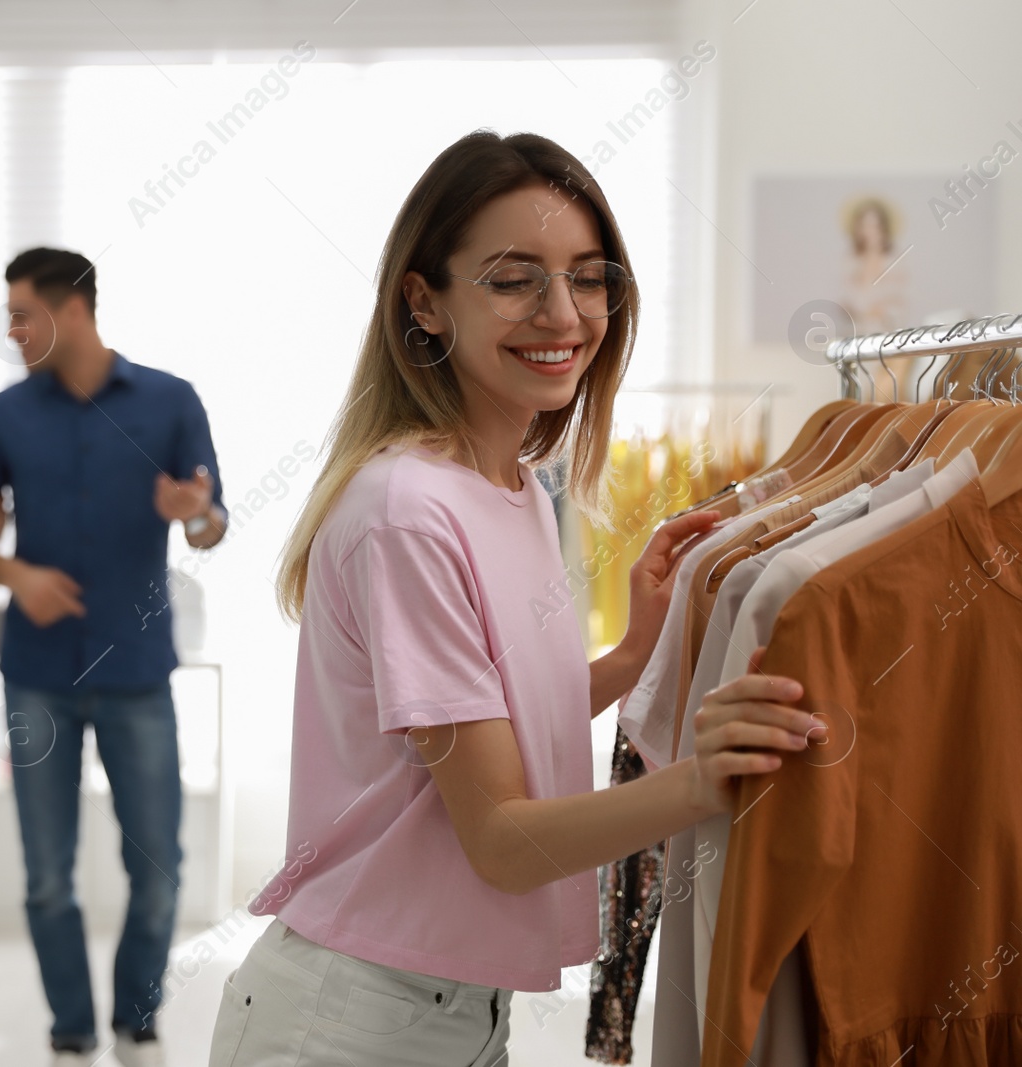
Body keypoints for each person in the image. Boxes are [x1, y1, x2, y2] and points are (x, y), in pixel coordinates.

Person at [205, 131, 819, 1066]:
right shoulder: (407, 511)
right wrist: (700, 783)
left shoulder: (517, 486)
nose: (562, 313)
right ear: (425, 299)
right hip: (352, 1019)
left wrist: (624, 660)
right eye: (512, 278)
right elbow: (499, 837)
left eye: (588, 275)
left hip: (454, 1010)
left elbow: (480, 733)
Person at [0, 248, 228, 1066]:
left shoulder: (171, 402)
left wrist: (194, 514)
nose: (13, 330)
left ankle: (136, 1021)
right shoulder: (4, 418)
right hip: (38, 675)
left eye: (22, 315)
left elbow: (214, 521)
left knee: (161, 867)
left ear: (71, 312)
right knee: (45, 875)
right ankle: (70, 1029)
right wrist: (12, 571)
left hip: (138, 671)